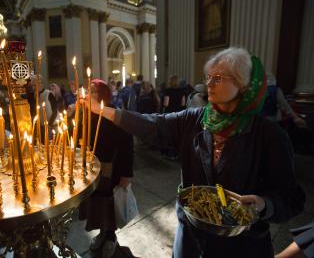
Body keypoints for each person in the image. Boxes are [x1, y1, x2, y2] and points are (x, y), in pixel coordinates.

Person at [88, 47, 305, 258]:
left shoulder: (269, 135)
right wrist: (103, 110)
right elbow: (153, 125)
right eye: (208, 77)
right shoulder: (195, 119)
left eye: (218, 78)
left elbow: (292, 198)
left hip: (241, 245)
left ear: (242, 84)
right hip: (191, 238)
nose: (208, 83)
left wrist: (264, 204)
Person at [79, 79, 134, 258]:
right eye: (88, 91)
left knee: (108, 206)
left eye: (93, 91)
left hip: (111, 169)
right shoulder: (86, 113)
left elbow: (127, 144)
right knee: (96, 205)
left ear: (103, 95)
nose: (89, 94)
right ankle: (103, 233)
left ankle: (110, 237)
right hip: (90, 168)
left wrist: (126, 173)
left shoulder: (112, 113)